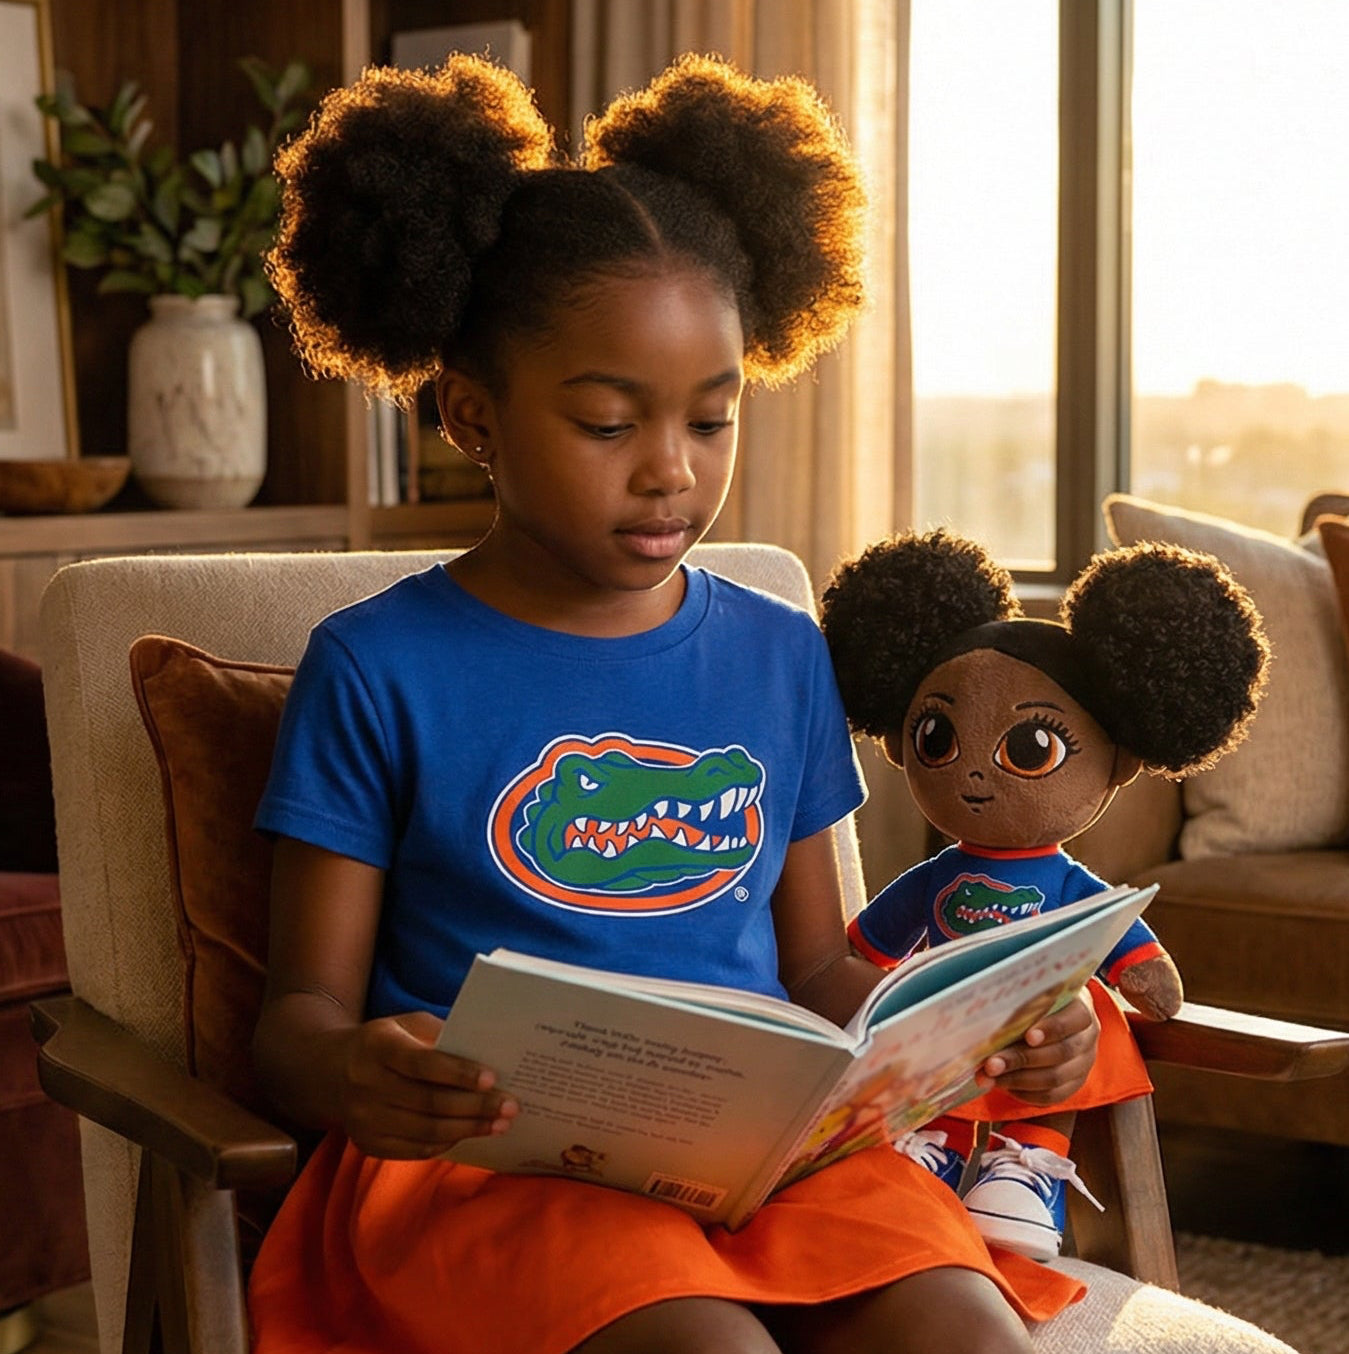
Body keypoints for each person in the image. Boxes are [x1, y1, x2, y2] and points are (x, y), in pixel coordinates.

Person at [248, 52, 1102, 1354]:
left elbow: (819, 967)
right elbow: (296, 1018)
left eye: (713, 420)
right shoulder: (375, 666)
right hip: (499, 1169)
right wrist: (360, 1067)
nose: (671, 472)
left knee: (969, 1334)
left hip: (766, 1155)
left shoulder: (774, 648)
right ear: (473, 417)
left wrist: (975, 1035)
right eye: (607, 423)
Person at [819, 527, 1267, 1263]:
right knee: (936, 1047)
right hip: (940, 1034)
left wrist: (1142, 975)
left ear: (1117, 762)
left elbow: (1121, 945)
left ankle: (1026, 1165)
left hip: (1036, 1029)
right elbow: (857, 953)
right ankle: (934, 1148)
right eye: (937, 738)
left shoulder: (1066, 885)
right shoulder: (931, 880)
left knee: (1067, 1023)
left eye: (1029, 748)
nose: (970, 774)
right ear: (901, 742)